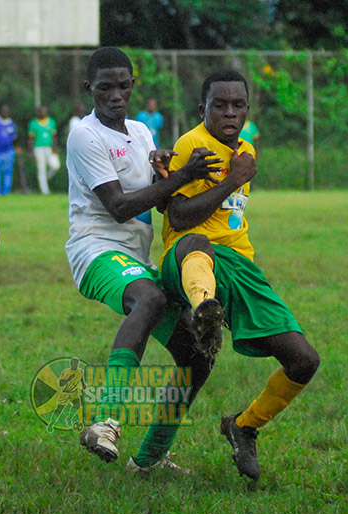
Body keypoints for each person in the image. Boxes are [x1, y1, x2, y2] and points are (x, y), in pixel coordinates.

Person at [159, 69, 320, 482]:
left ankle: (243, 426)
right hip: (189, 256)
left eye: (239, 105)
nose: (230, 113)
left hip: (240, 266)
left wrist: (239, 172)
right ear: (203, 108)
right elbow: (177, 216)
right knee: (199, 244)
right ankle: (204, 311)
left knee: (303, 360)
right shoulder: (192, 144)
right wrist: (234, 179)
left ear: (248, 109)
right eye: (220, 105)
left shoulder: (246, 148)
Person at [67, 47, 221, 472]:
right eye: (105, 87)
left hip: (135, 257)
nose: (115, 95)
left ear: (133, 85)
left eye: (123, 86)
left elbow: (158, 204)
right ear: (89, 90)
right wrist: (180, 177)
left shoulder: (140, 131)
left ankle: (149, 460)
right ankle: (105, 420)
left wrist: (175, 174)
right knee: (150, 300)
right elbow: (118, 207)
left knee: (198, 355)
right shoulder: (85, 135)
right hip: (95, 249)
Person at [28, 105, 60, 194]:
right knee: (41, 169)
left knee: (55, 166)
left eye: (44, 111)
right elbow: (31, 138)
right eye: (41, 111)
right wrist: (30, 152)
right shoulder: (33, 123)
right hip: (38, 148)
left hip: (49, 148)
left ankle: (46, 178)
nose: (43, 113)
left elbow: (54, 136)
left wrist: (55, 147)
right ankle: (45, 190)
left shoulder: (51, 122)